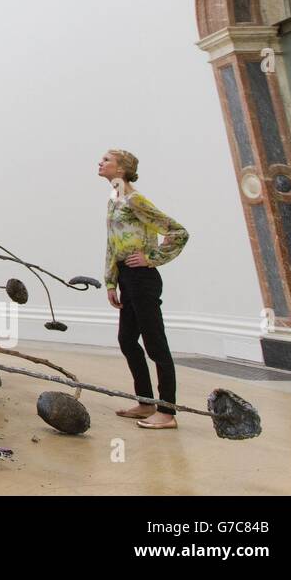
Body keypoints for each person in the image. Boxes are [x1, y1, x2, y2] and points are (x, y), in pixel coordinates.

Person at [97, 149, 189, 430]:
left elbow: (178, 232)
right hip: (126, 278)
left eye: (106, 160)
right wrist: (111, 281)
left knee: (155, 344)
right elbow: (112, 244)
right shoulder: (114, 201)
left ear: (121, 169)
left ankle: (167, 411)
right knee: (127, 340)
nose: (100, 163)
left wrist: (153, 258)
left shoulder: (135, 200)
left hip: (142, 279)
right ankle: (146, 402)